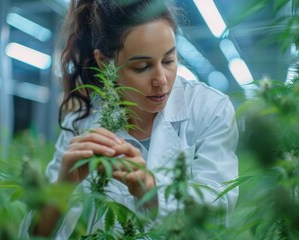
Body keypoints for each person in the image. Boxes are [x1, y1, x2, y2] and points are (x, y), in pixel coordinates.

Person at [21, 0, 239, 238]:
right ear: (105, 62)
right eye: (142, 66)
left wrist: (153, 191)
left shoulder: (210, 109)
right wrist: (62, 188)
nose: (161, 81)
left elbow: (217, 212)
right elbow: (35, 234)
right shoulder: (83, 121)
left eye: (168, 61)